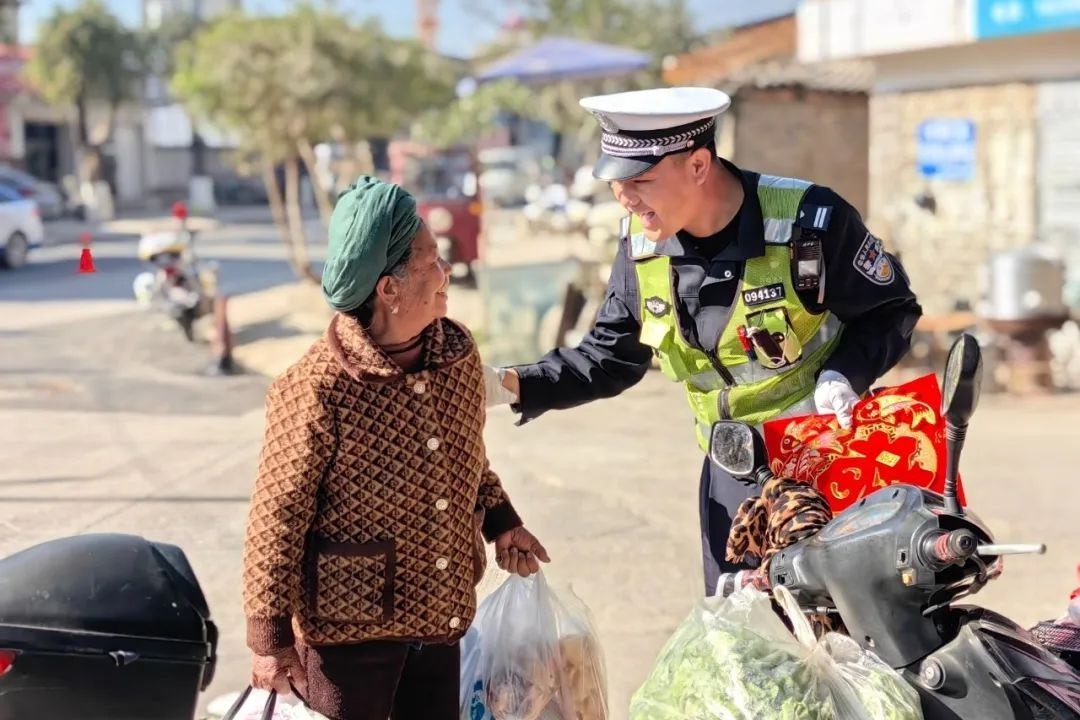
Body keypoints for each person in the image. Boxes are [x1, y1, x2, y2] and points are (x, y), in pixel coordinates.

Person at [490, 86, 922, 596]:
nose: (625, 198)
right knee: (748, 646)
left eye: (642, 180)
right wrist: (508, 385)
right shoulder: (640, 243)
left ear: (698, 164)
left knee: (849, 635)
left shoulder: (809, 221)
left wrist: (843, 374)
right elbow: (608, 358)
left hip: (829, 461)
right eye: (616, 183)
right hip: (732, 476)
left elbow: (892, 309)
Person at [242, 176, 550, 720]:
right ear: (389, 288)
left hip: (440, 617)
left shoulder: (454, 355)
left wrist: (502, 520)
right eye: (431, 260)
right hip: (348, 636)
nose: (445, 271)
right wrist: (269, 639)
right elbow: (277, 517)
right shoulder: (317, 388)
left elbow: (467, 458)